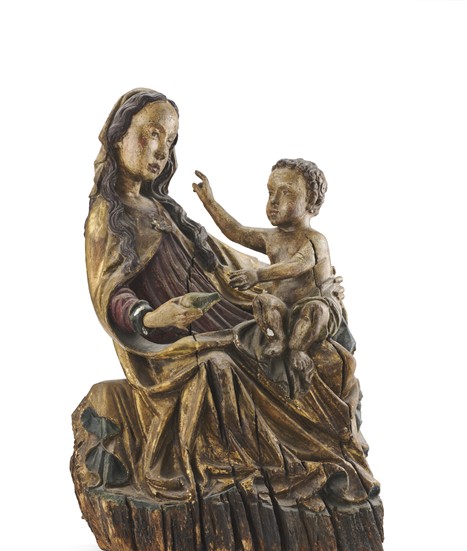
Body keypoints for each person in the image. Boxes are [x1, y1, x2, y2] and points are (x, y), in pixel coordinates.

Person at [75, 88, 379, 514]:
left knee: (327, 357)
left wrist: (306, 284)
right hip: (168, 345)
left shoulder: (163, 207)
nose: (161, 150)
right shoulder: (108, 215)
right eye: (152, 134)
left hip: (222, 314)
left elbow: (221, 255)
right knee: (223, 366)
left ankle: (334, 455)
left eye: (170, 140)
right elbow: (110, 293)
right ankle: (262, 475)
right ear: (118, 136)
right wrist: (154, 317)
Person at [193, 160, 340, 382]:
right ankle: (278, 338)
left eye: (286, 193)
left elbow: (297, 265)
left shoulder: (315, 240)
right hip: (282, 307)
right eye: (271, 192)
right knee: (262, 302)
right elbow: (236, 232)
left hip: (313, 307)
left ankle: (298, 349)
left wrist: (258, 275)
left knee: (315, 310)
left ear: (310, 199)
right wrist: (210, 202)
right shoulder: (272, 237)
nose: (274, 201)